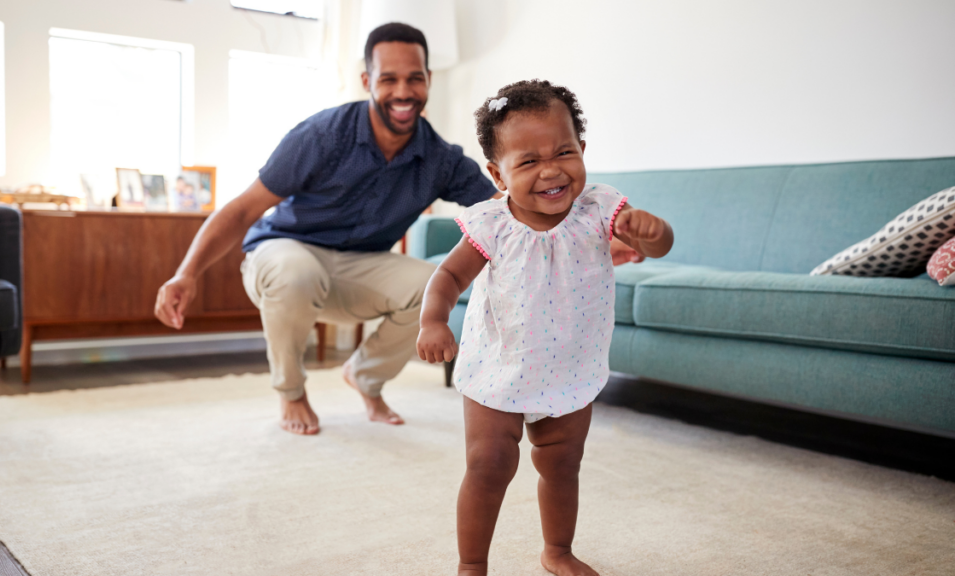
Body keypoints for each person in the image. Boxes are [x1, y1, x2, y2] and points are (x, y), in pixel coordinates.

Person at [153, 23, 501, 435]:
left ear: (428, 80)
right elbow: (243, 208)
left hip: (361, 268)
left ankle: (365, 377)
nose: (403, 91)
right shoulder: (321, 136)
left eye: (415, 78)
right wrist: (186, 273)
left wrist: (569, 210)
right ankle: (291, 392)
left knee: (432, 284)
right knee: (297, 272)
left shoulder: (439, 158)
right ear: (367, 81)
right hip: (285, 254)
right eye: (389, 79)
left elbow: (500, 209)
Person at [416, 80, 674, 576]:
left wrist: (655, 233)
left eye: (564, 151)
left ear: (582, 150)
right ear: (498, 173)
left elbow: (657, 244)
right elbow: (447, 275)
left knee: (561, 464)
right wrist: (433, 319)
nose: (551, 170)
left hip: (570, 363)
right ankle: (472, 564)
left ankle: (557, 550)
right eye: (528, 161)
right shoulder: (492, 224)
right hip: (499, 362)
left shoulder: (602, 210)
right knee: (489, 464)